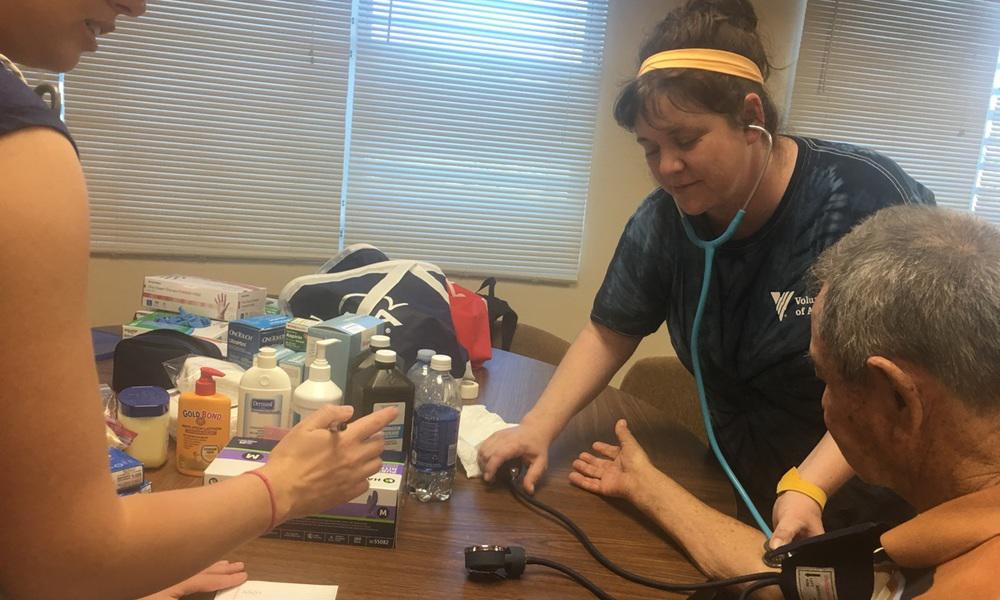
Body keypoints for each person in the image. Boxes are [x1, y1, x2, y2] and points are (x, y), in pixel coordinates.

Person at [478, 0, 934, 543]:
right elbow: (609, 331)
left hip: (867, 501)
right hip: (737, 488)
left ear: (751, 118)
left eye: (686, 140)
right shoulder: (665, 221)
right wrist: (536, 428)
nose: (666, 167)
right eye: (650, 148)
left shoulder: (867, 202)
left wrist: (809, 487)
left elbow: (903, 381)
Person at [0, 2, 398, 598]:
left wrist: (143, 566)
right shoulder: (22, 152)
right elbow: (69, 561)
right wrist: (283, 487)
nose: (135, 5)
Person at [569, 205, 1000, 598]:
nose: (824, 405)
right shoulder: (950, 540)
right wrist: (648, 487)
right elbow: (809, 586)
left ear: (898, 401)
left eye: (823, 379)